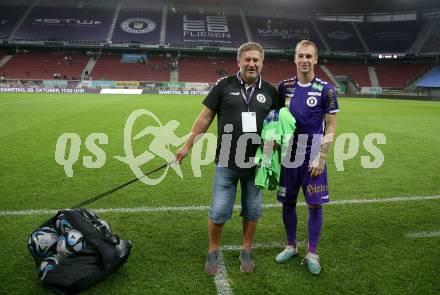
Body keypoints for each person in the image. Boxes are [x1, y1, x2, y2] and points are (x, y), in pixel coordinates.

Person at [175, 42, 279, 275]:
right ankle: (213, 251)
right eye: (247, 60)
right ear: (239, 62)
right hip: (226, 161)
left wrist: (278, 143)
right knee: (219, 210)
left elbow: (279, 124)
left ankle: (247, 249)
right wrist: (187, 145)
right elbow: (205, 118)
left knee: (252, 210)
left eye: (256, 60)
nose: (251, 64)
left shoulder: (271, 92)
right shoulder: (224, 86)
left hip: (257, 164)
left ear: (262, 63)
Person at [276, 40, 339, 275]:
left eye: (309, 56)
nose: (304, 60)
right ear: (295, 59)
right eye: (300, 56)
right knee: (288, 202)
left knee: (314, 204)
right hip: (288, 156)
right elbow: (275, 119)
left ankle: (312, 252)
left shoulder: (326, 90)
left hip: (313, 156)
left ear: (315, 60)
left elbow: (331, 126)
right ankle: (291, 246)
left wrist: (321, 157)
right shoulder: (284, 87)